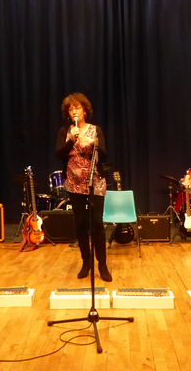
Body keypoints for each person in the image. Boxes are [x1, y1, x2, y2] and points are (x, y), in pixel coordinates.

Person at [55, 93, 112, 282]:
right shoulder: (65, 131)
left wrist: (93, 143)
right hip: (74, 182)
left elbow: (104, 154)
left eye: (77, 108)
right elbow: (59, 154)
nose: (74, 111)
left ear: (85, 111)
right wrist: (72, 140)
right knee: (80, 223)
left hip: (95, 181)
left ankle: (102, 264)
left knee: (97, 223)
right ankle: (86, 262)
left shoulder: (95, 130)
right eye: (71, 109)